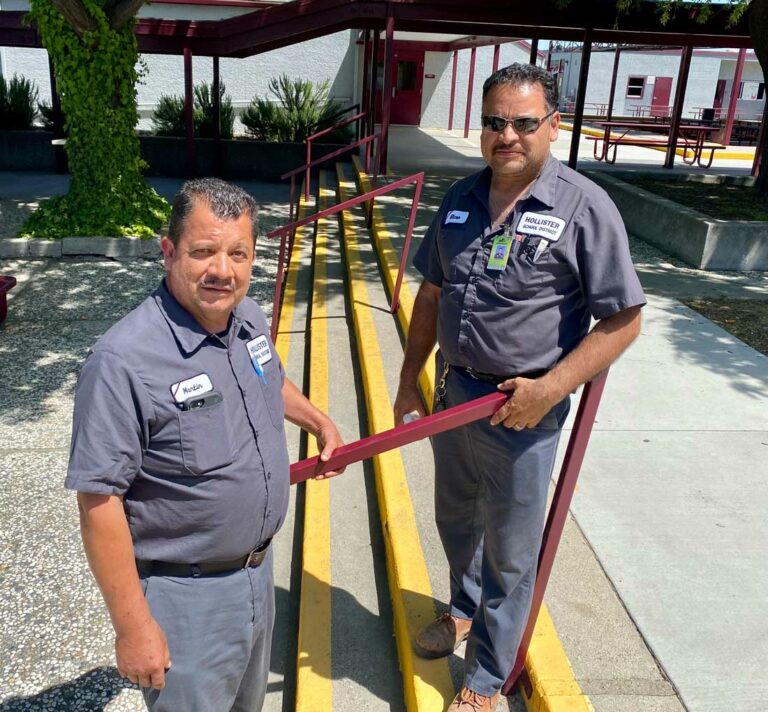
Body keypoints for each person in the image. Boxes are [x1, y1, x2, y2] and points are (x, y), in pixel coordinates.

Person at [393, 63, 645, 712]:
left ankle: (485, 678)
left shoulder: (585, 208)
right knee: (454, 519)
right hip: (452, 399)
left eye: (524, 122)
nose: (507, 135)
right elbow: (432, 291)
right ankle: (463, 609)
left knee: (510, 546)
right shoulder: (459, 199)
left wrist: (549, 388)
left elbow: (623, 319)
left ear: (552, 127)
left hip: (522, 413)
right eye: (495, 122)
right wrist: (408, 381)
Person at [66, 178, 344, 711]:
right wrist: (133, 628)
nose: (223, 271)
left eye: (238, 254)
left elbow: (269, 376)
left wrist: (315, 419)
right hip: (188, 599)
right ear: (168, 251)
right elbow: (98, 503)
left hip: (259, 577)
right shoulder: (123, 362)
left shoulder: (247, 318)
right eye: (203, 251)